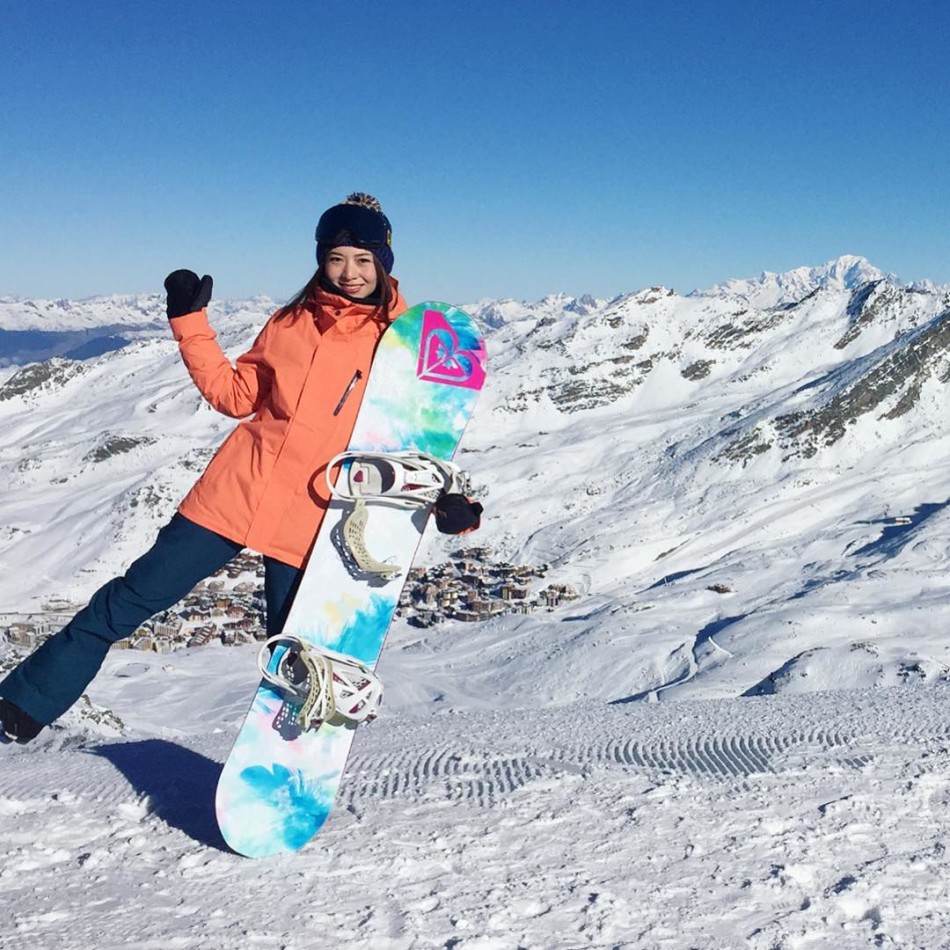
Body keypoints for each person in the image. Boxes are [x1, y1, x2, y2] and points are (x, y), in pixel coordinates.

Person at [0, 193, 481, 745]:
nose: (349, 273)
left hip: (317, 514)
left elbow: (419, 439)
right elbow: (236, 395)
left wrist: (447, 500)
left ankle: (283, 768)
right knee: (128, 599)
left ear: (384, 264)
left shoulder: (406, 342)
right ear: (321, 259)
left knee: (298, 657)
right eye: (336, 258)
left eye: (363, 260)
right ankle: (22, 703)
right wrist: (189, 322)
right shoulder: (291, 321)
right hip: (237, 493)